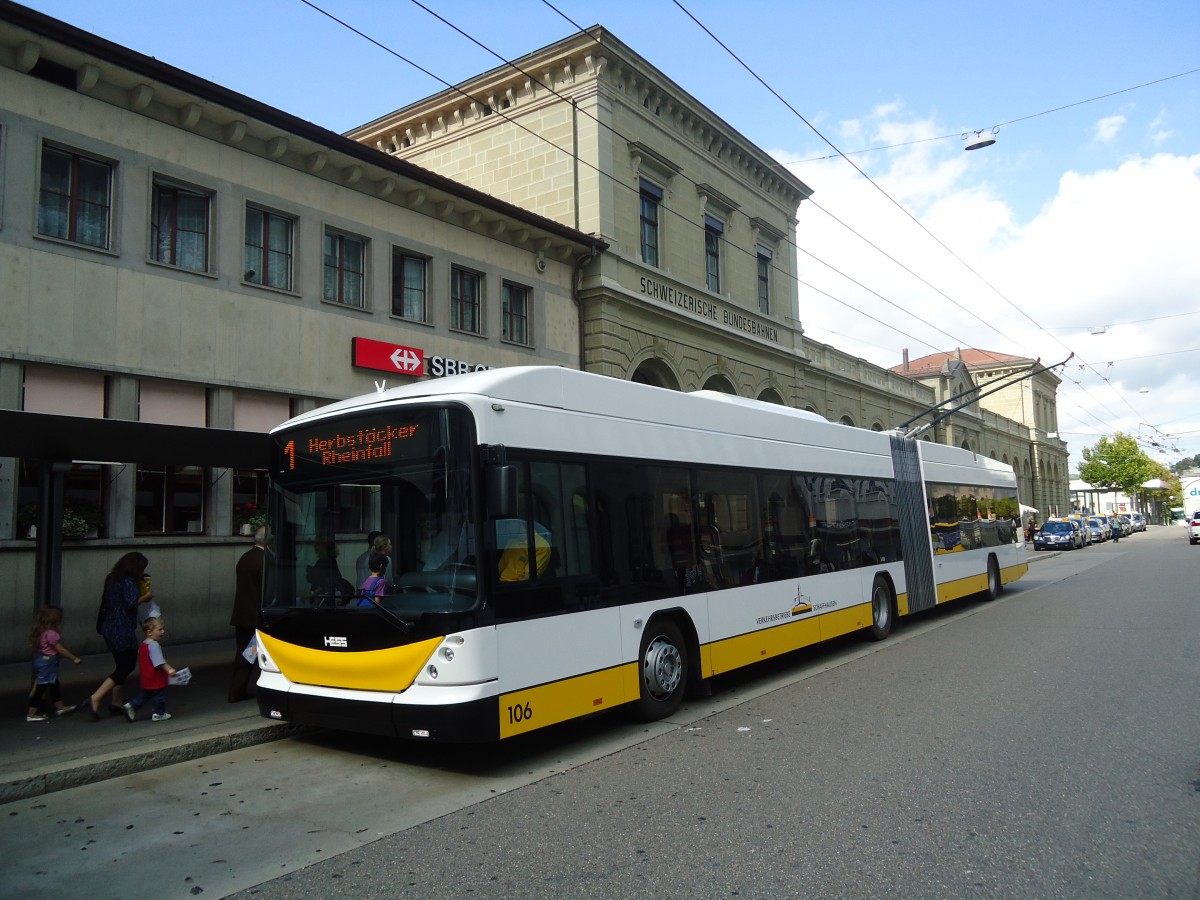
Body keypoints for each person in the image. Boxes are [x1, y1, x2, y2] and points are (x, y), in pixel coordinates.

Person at [88, 552, 154, 721]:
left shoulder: (111, 578)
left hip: (108, 626)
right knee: (127, 665)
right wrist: (146, 597)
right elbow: (130, 602)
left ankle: (116, 702)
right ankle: (96, 697)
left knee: (120, 664)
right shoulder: (128, 580)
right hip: (121, 627)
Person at [229, 526, 269, 703]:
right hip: (255, 618)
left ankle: (237, 689)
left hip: (242, 615)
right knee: (251, 654)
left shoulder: (245, 557)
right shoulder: (265, 561)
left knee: (243, 653)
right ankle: (239, 690)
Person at [26, 605, 81, 722]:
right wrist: (74, 658)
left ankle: (60, 707)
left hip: (41, 660)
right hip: (48, 663)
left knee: (54, 684)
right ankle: (31, 714)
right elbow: (60, 649)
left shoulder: (41, 631)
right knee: (41, 687)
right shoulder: (51, 634)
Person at [122, 616, 176, 722]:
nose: (163, 632)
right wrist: (169, 669)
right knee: (160, 695)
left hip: (146, 676)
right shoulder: (154, 645)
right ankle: (159, 713)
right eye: (160, 629)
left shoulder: (143, 645)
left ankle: (132, 706)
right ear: (149, 632)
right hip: (156, 677)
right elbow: (159, 662)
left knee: (146, 694)